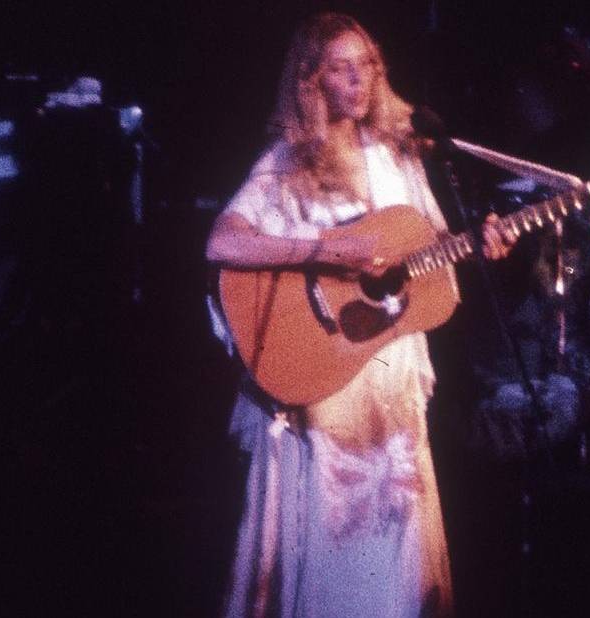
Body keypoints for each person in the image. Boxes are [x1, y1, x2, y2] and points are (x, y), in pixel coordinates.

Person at [205, 13, 514, 618]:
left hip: (389, 377)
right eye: (341, 68)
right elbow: (222, 243)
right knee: (331, 549)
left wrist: (484, 243)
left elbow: (431, 255)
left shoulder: (401, 158)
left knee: (394, 551)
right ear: (310, 80)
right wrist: (320, 250)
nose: (359, 80)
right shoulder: (288, 162)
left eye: (367, 65)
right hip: (325, 377)